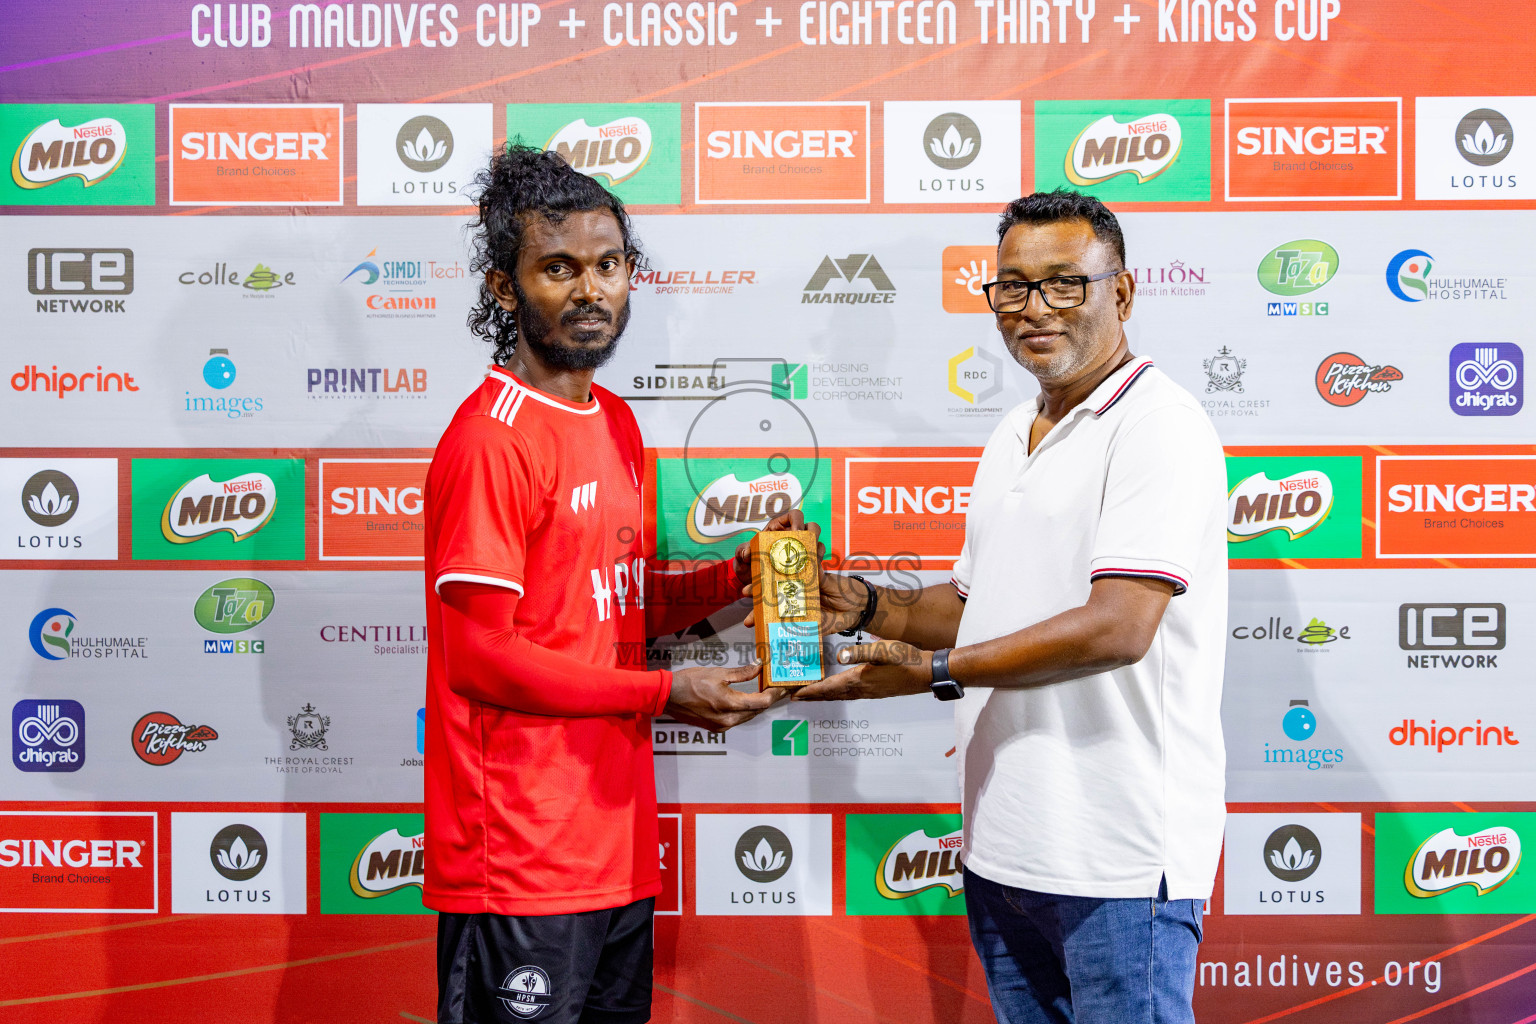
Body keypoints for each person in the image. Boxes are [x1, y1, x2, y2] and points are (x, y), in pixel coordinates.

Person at [794, 190, 1228, 1024]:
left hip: (1118, 857)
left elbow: (1120, 626)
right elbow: (973, 604)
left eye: (1065, 284)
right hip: (1004, 845)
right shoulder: (1013, 429)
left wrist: (933, 674)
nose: (1034, 309)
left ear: (1122, 294)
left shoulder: (1159, 426)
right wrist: (868, 606)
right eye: (1013, 287)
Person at [422, 146, 793, 1024]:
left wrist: (734, 576)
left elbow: (610, 606)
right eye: (559, 268)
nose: (590, 290)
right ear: (504, 289)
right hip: (518, 858)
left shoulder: (616, 419)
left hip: (617, 846)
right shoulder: (489, 441)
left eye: (608, 265)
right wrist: (669, 691)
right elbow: (481, 659)